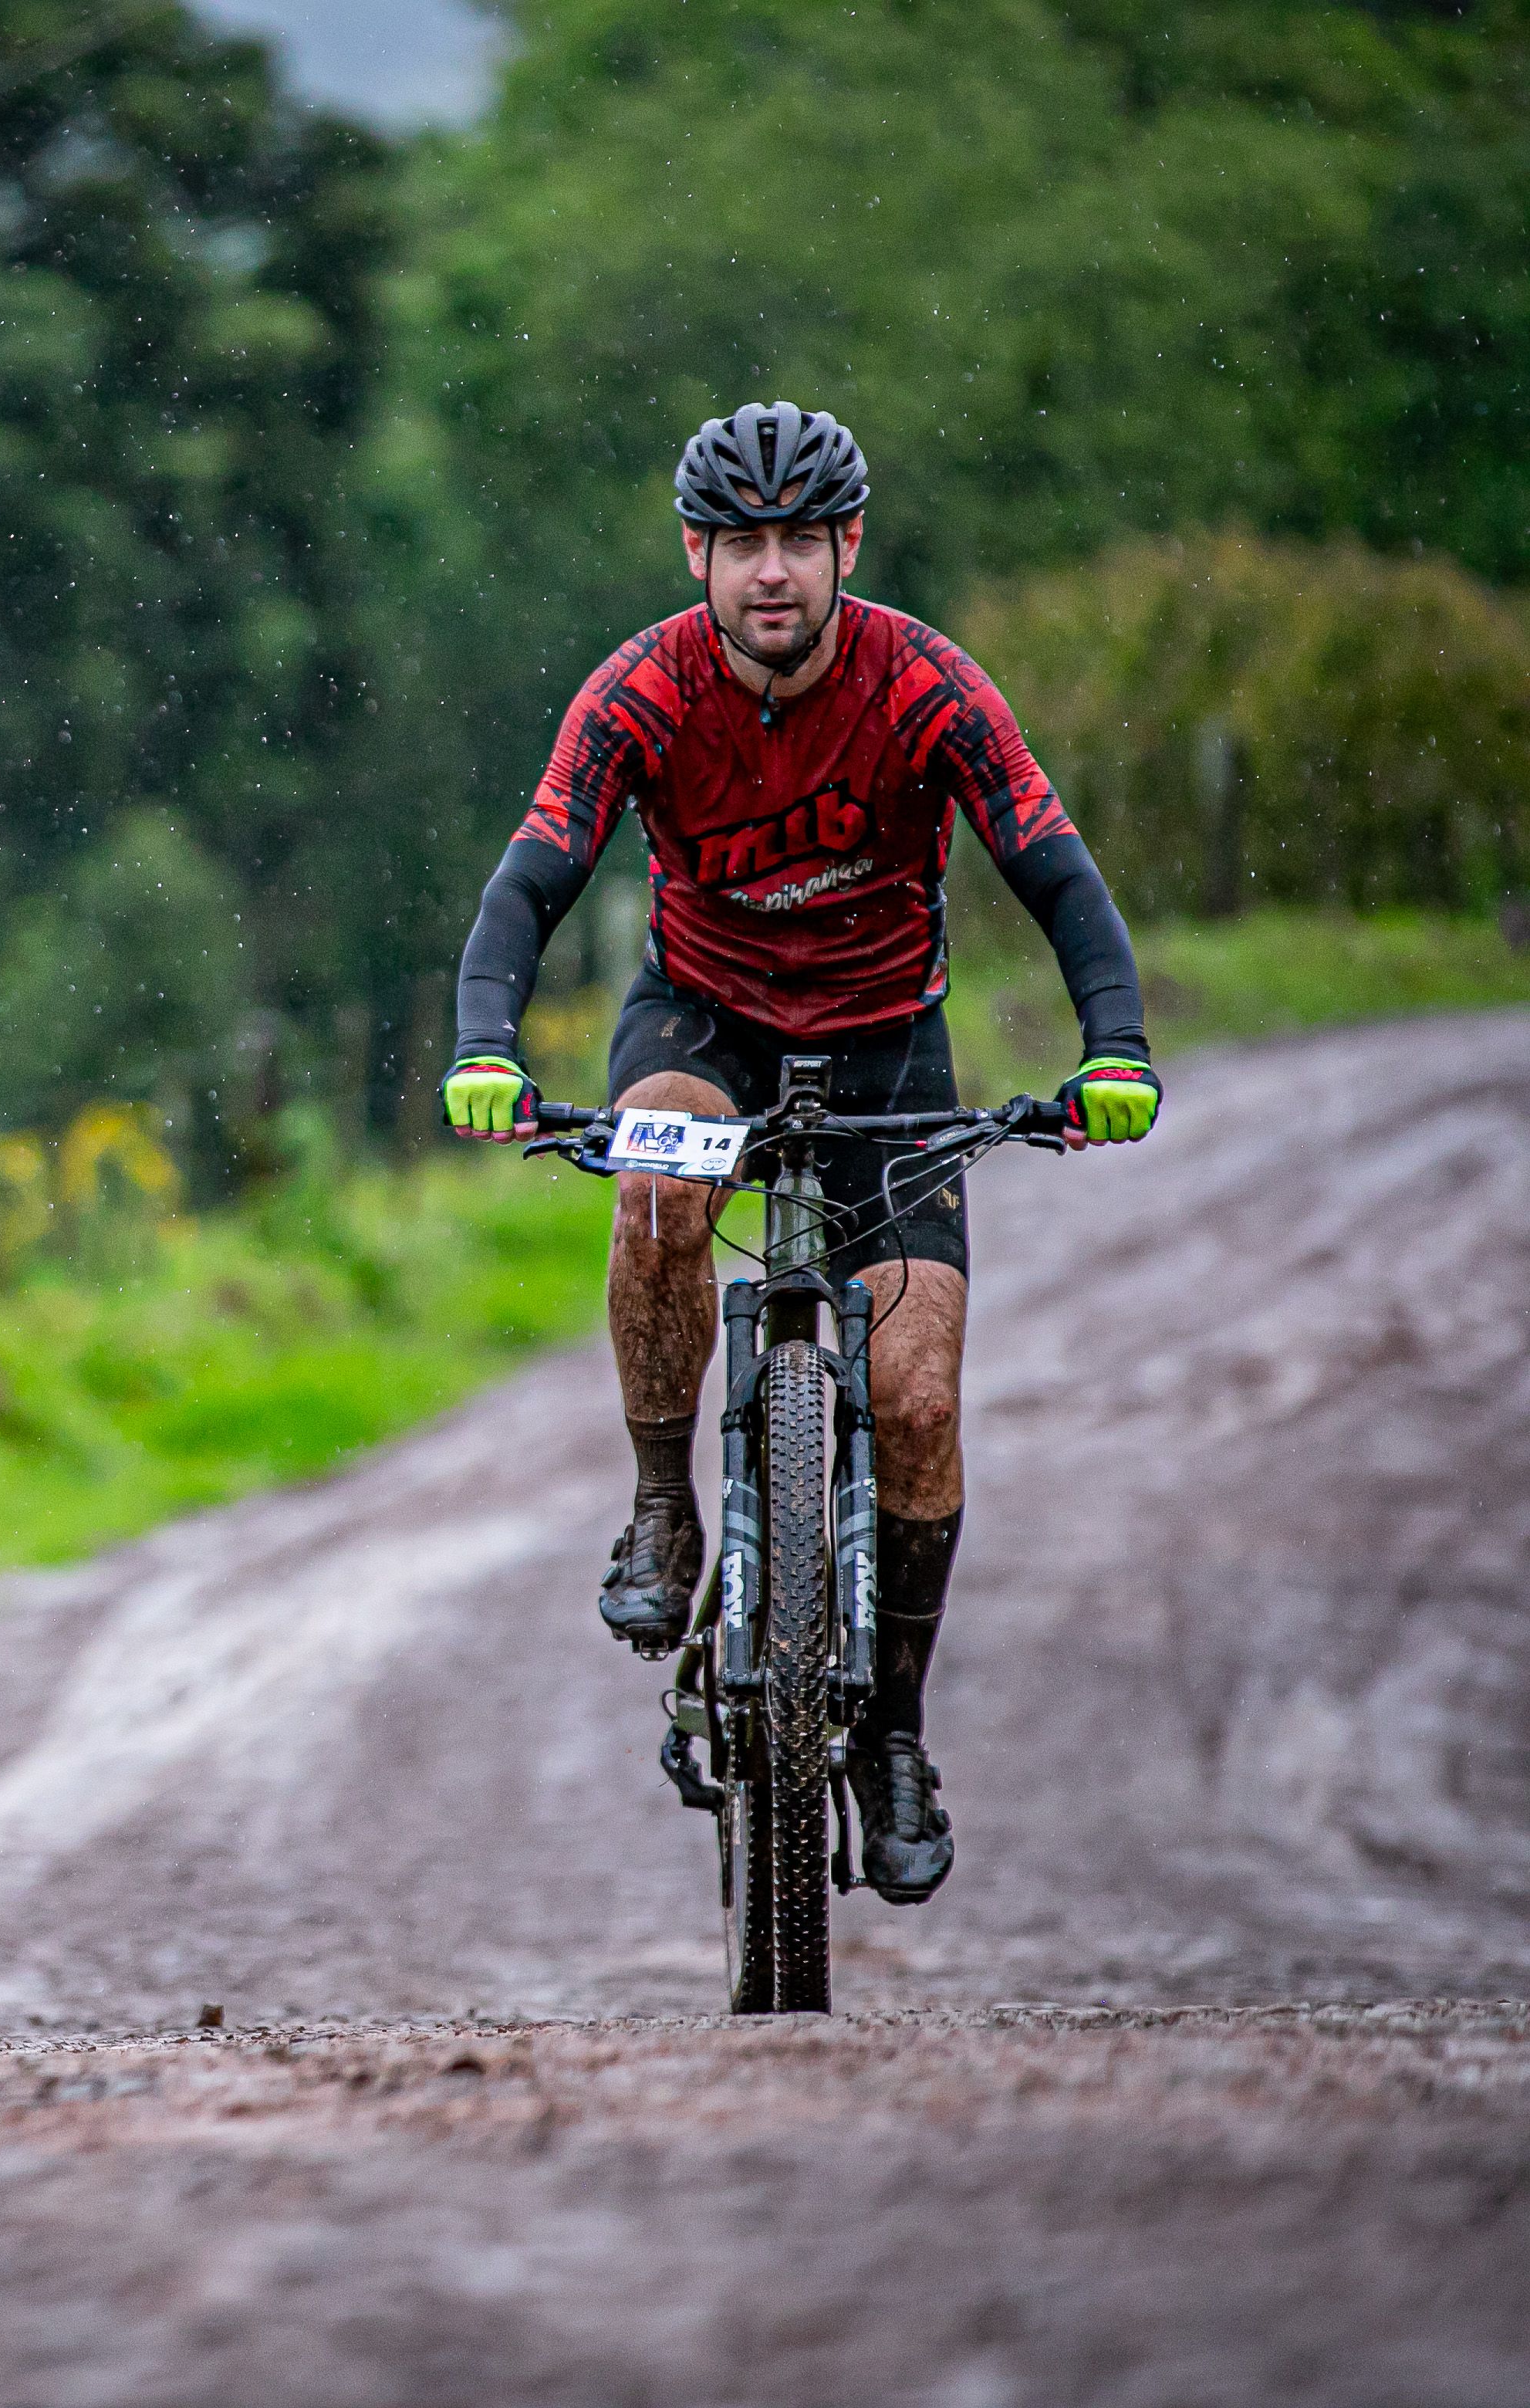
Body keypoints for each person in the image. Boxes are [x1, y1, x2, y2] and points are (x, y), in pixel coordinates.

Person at [441, 402, 1160, 1905]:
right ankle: (663, 1501)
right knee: (663, 1184)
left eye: (800, 542)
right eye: (743, 543)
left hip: (889, 1043)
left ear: (848, 548)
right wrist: (488, 1047)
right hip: (700, 1023)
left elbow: (1057, 871)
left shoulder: (926, 686)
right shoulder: (642, 690)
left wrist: (1116, 1049)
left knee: (915, 1395)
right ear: (696, 554)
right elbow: (532, 878)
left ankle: (893, 1735)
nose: (772, 571)